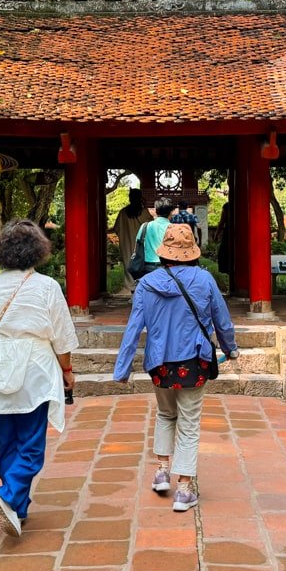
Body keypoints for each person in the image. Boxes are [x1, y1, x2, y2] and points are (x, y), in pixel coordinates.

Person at [0, 220, 79, 538]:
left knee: (8, 442)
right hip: (35, 368)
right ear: (38, 251)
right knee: (32, 445)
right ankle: (8, 495)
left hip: (0, 363)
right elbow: (61, 336)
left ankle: (17, 509)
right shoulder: (47, 287)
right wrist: (67, 370)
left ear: (2, 252)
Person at [113, 223, 239, 512]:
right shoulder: (205, 280)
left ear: (164, 254)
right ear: (191, 252)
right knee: (189, 423)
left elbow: (133, 328)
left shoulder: (146, 284)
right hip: (194, 362)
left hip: (159, 363)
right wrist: (230, 348)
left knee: (165, 414)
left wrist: (122, 369)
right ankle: (183, 488)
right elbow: (223, 321)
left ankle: (161, 471)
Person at [112, 188, 147, 295]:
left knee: (129, 267)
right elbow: (150, 228)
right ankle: (142, 292)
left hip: (127, 245)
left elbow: (117, 229)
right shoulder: (144, 213)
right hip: (142, 246)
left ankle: (133, 292)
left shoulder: (123, 213)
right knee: (143, 268)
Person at [135, 197, 174, 278]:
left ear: (156, 211)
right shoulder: (173, 228)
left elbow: (137, 245)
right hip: (168, 267)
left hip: (148, 266)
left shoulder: (145, 226)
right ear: (171, 212)